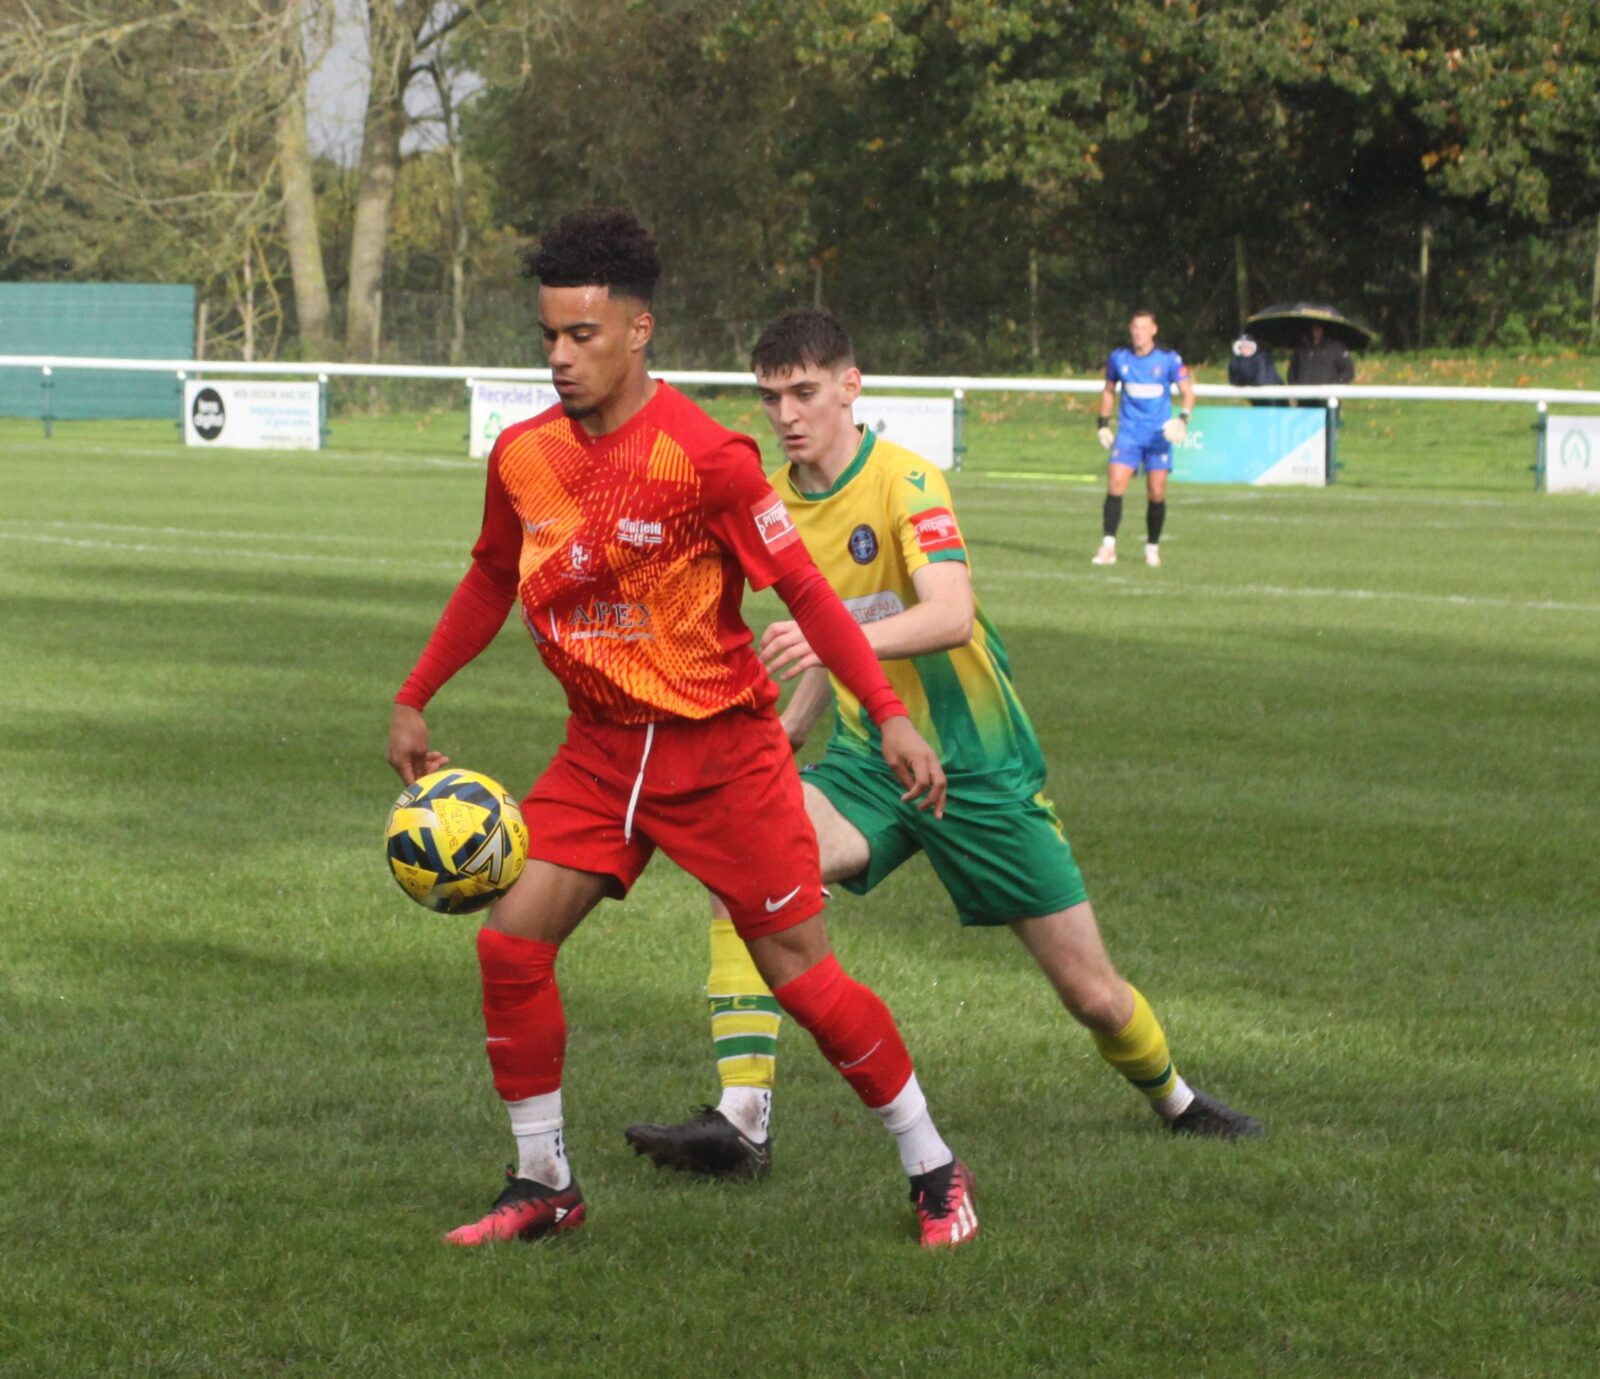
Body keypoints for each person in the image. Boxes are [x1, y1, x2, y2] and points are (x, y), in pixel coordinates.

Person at [387, 210, 979, 1250]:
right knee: (510, 941)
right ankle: (544, 1185)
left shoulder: (708, 458)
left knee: (803, 975)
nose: (562, 357)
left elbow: (802, 586)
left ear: (639, 328)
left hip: (720, 754)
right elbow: (491, 573)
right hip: (600, 749)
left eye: (583, 335)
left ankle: (934, 1168)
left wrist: (885, 713)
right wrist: (415, 691)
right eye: (549, 337)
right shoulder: (524, 456)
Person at [623, 308, 1263, 1186]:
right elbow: (831, 626)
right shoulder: (774, 503)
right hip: (870, 760)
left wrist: (826, 638)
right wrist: (796, 724)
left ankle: (1179, 1101)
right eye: (771, 398)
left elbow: (947, 611)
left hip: (979, 767)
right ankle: (742, 1120)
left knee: (1093, 995)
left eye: (805, 392)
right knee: (748, 860)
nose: (787, 414)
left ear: (852, 386)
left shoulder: (906, 480)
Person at [1091, 309, 1196, 569]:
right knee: (1115, 483)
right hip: (1129, 434)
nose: (1138, 333)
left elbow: (1188, 392)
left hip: (1158, 436)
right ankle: (1108, 546)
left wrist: (1182, 419)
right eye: (1135, 327)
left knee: (1156, 492)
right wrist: (1102, 424)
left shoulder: (1168, 360)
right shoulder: (1119, 358)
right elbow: (1108, 391)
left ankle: (1152, 547)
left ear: (1154, 330)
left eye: (1143, 327)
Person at [1287, 322, 1354, 405]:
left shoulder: (1336, 347)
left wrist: (1334, 386)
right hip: (1304, 400)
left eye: (1319, 327)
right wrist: (1296, 387)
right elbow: (1292, 372)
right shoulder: (1302, 348)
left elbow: (1348, 371)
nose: (1316, 330)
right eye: (1314, 327)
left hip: (1327, 399)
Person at [1228, 332, 1282, 403]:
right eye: (1242, 346)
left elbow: (1261, 381)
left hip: (1272, 395)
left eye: (1247, 346)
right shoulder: (1235, 361)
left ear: (1252, 347)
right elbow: (1234, 381)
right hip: (1256, 396)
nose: (1245, 349)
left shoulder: (1261, 358)